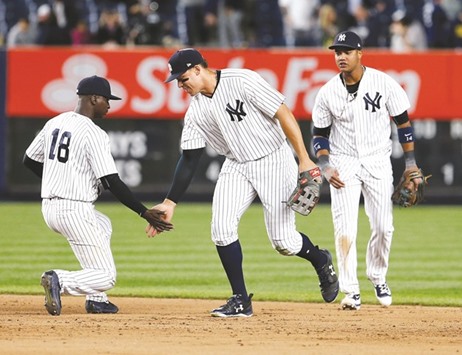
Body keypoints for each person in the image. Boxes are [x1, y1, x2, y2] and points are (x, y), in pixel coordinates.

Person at [147, 48, 339, 318]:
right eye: (176, 80)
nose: (180, 84)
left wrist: (304, 159)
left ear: (199, 69)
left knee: (284, 242)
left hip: (273, 158)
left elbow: (283, 113)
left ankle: (321, 259)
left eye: (183, 78)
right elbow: (189, 159)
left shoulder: (242, 80)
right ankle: (240, 300)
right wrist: (170, 201)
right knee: (221, 229)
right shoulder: (195, 113)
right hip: (236, 164)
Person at [23, 75, 173, 316]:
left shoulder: (55, 122)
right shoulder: (94, 133)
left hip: (50, 208)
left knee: (103, 224)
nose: (109, 106)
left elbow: (29, 159)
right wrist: (144, 212)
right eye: (106, 100)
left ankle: (97, 299)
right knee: (106, 277)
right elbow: (111, 181)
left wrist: (57, 178)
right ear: (93, 98)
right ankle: (59, 280)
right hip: (73, 210)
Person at [311, 30, 424, 310]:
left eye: (347, 51)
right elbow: (319, 135)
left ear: (360, 53)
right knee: (345, 228)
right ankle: (351, 290)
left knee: (384, 227)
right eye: (337, 52)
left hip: (377, 160)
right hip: (344, 163)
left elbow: (404, 124)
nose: (341, 56)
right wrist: (325, 164)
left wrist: (410, 164)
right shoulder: (327, 92)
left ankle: (377, 276)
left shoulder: (383, 83)